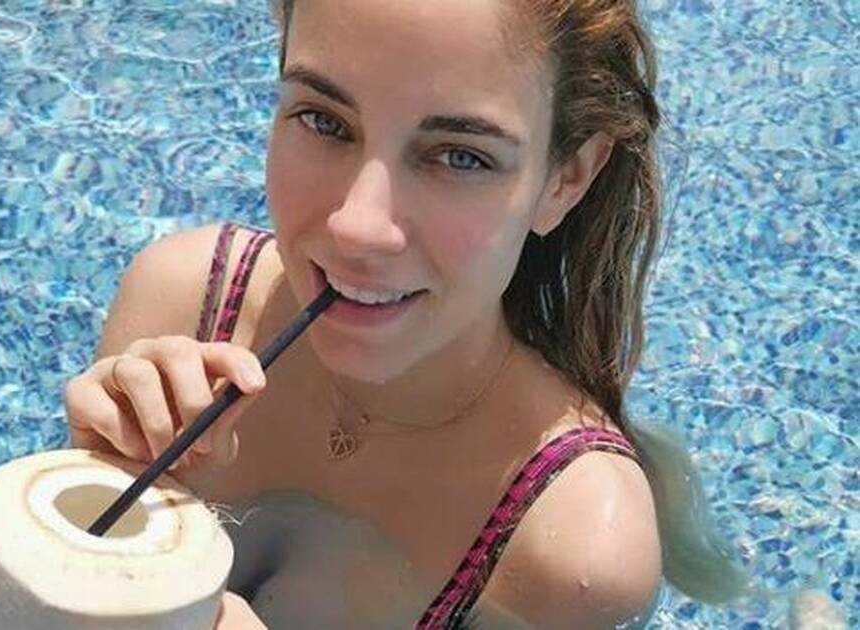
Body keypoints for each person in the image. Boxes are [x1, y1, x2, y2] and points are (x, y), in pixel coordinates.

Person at [63, 0, 751, 627]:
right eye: (323, 120)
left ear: (564, 180)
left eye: (460, 156)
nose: (357, 227)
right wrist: (81, 502)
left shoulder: (573, 545)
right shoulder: (183, 302)